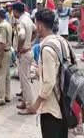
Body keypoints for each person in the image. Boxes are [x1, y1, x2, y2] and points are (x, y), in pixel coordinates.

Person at [27, 9, 69, 138]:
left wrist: (36, 105)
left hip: (52, 109)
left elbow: (49, 83)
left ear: (39, 25)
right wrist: (40, 72)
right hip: (65, 102)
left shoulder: (46, 48)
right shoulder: (62, 41)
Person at [12, 2, 37, 114]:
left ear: (16, 11)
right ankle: (25, 100)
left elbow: (21, 36)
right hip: (28, 51)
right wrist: (30, 42)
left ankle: (30, 106)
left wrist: (19, 48)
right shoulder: (28, 19)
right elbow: (35, 30)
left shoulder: (21, 22)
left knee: (25, 80)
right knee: (23, 79)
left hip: (23, 53)